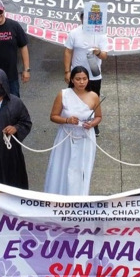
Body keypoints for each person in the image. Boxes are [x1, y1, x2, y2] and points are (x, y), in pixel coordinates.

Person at [44, 66, 102, 195]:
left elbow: (99, 116)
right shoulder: (63, 94)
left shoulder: (93, 96)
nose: (82, 82)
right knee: (63, 166)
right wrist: (67, 120)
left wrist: (92, 124)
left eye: (84, 79)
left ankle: (79, 195)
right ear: (72, 80)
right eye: (78, 79)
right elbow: (53, 116)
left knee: (82, 168)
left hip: (86, 137)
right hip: (66, 136)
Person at [64, 13, 108, 135]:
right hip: (77, 73)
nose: (89, 21)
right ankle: (72, 120)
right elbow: (68, 51)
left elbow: (104, 55)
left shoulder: (101, 34)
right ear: (81, 19)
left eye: (92, 18)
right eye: (86, 18)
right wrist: (67, 71)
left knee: (93, 100)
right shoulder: (74, 33)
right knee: (73, 98)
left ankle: (94, 124)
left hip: (94, 75)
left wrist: (98, 52)